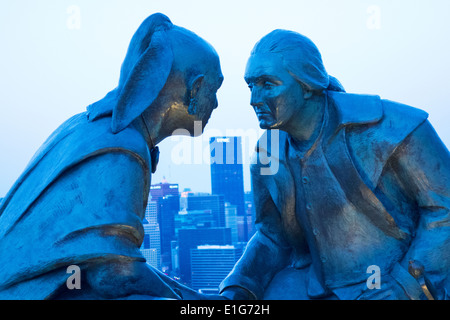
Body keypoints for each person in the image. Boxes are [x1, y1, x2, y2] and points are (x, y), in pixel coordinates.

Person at [0, 13, 223, 300]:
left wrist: (195, 298)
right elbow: (114, 277)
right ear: (195, 88)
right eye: (214, 91)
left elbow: (117, 263)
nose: (216, 104)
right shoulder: (123, 150)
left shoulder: (87, 126)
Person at [220, 29, 449, 300]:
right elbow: (272, 236)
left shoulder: (394, 129)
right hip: (312, 289)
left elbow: (444, 210)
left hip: (391, 284)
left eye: (267, 84)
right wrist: (238, 286)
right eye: (251, 85)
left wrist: (405, 285)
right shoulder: (266, 154)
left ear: (307, 85)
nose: (254, 99)